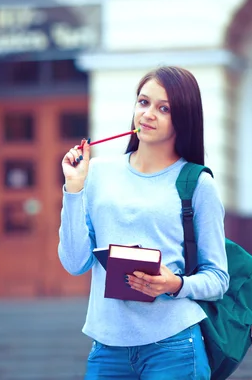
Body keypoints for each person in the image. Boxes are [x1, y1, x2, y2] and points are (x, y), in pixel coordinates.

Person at [58, 66, 229, 379]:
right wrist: (73, 188)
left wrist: (174, 283)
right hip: (106, 348)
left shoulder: (197, 184)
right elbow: (74, 262)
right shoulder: (96, 174)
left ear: (184, 118)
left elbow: (218, 278)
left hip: (175, 346)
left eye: (164, 108)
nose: (149, 114)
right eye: (143, 102)